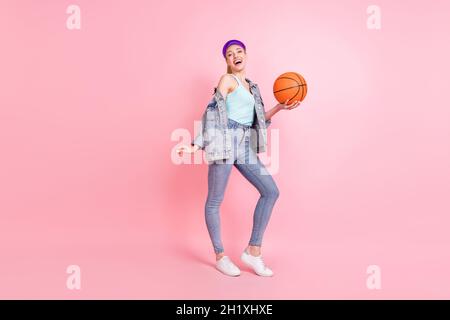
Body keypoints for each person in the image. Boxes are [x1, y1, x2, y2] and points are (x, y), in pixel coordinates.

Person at [176, 40, 300, 276]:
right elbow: (212, 112)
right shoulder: (227, 80)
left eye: (239, 52)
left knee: (271, 191)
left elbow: (255, 118)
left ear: (245, 55)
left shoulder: (252, 87)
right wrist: (196, 144)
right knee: (214, 201)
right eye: (229, 54)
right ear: (227, 61)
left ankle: (253, 251)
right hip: (223, 139)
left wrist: (279, 108)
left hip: (243, 144)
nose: (235, 56)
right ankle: (220, 256)